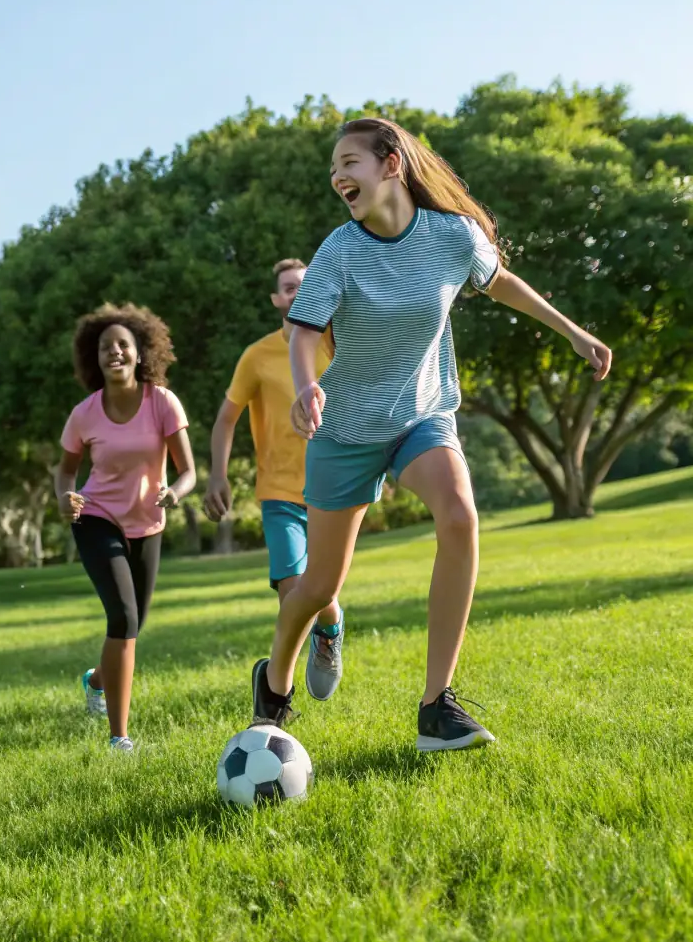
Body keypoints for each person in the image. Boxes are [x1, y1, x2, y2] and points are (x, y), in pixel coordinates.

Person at [250, 117, 612, 750]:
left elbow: (499, 281)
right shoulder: (341, 248)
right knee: (320, 587)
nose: (338, 176)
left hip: (422, 413)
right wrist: (307, 383)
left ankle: (436, 706)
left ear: (392, 164)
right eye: (334, 169)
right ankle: (273, 685)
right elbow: (303, 330)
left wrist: (572, 330)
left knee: (460, 516)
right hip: (348, 428)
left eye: (349, 163)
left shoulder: (454, 235)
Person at [55, 303, 196, 753]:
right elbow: (65, 471)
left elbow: (189, 470)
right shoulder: (85, 413)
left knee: (131, 627)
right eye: (104, 347)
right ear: (93, 358)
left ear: (140, 354)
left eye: (123, 345)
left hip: (148, 524)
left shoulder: (162, 402)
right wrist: (66, 496)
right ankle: (120, 736)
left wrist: (175, 491)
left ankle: (97, 681)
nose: (113, 352)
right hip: (96, 519)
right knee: (124, 618)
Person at [204, 259, 344, 702]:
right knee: (292, 590)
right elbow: (227, 418)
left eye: (302, 286)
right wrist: (218, 475)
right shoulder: (257, 355)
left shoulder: (338, 342)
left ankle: (330, 630)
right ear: (276, 299)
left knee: (322, 591)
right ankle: (278, 693)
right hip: (279, 493)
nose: (294, 293)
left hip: (333, 487)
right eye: (287, 288)